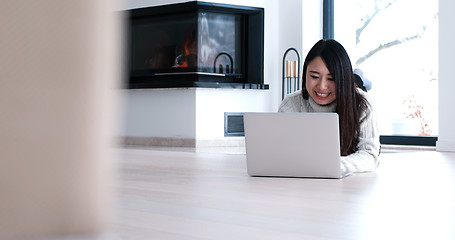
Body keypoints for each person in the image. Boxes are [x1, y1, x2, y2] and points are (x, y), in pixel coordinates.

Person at [278, 39, 380, 174]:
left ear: (342, 79)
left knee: (358, 83)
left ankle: (357, 79)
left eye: (331, 79)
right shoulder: (291, 104)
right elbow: (279, 153)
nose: (321, 86)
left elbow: (369, 156)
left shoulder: (363, 104)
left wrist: (329, 166)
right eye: (314, 76)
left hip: (345, 185)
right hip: (304, 183)